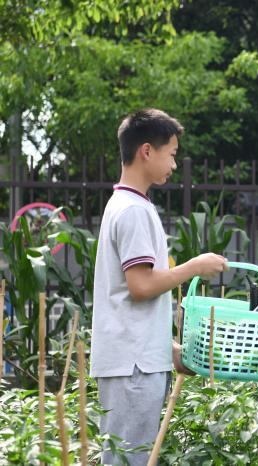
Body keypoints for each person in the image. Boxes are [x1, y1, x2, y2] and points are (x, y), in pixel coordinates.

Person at [90, 108, 229, 465]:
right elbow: (140, 286)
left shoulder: (126, 204)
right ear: (147, 151)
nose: (174, 162)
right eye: (171, 153)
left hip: (133, 362)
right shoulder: (133, 210)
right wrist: (195, 266)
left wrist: (169, 350)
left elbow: (127, 299)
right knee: (127, 460)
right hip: (133, 370)